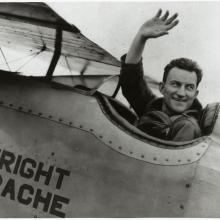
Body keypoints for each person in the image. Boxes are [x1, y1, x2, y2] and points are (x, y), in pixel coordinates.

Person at [120, 9, 203, 141]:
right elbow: (131, 82)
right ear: (162, 88)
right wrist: (141, 37)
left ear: (195, 94)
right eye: (175, 84)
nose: (181, 93)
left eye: (189, 87)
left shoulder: (187, 127)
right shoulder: (153, 108)